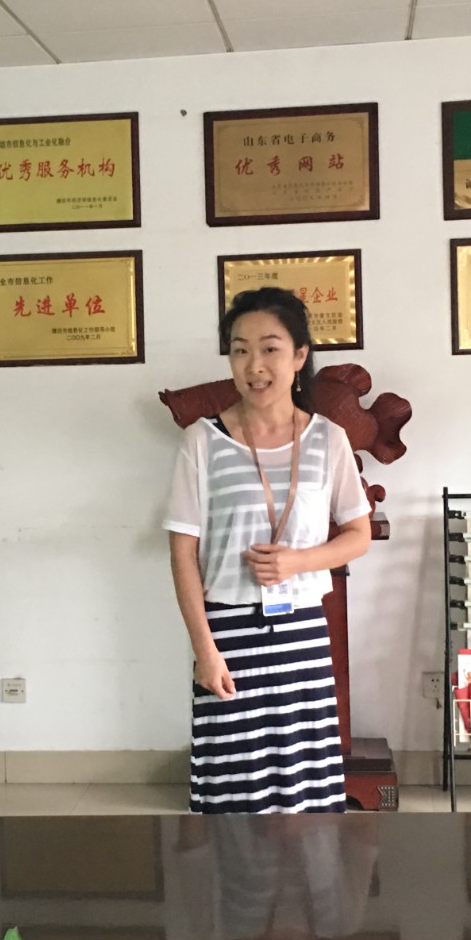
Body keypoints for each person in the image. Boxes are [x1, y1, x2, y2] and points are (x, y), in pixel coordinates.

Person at [163, 287, 373, 814]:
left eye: (270, 349)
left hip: (302, 630)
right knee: (234, 789)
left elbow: (358, 533)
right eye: (239, 350)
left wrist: (298, 561)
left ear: (300, 356)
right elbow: (182, 552)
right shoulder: (202, 440)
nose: (254, 365)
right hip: (227, 632)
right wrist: (205, 651)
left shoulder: (328, 439)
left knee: (307, 786)